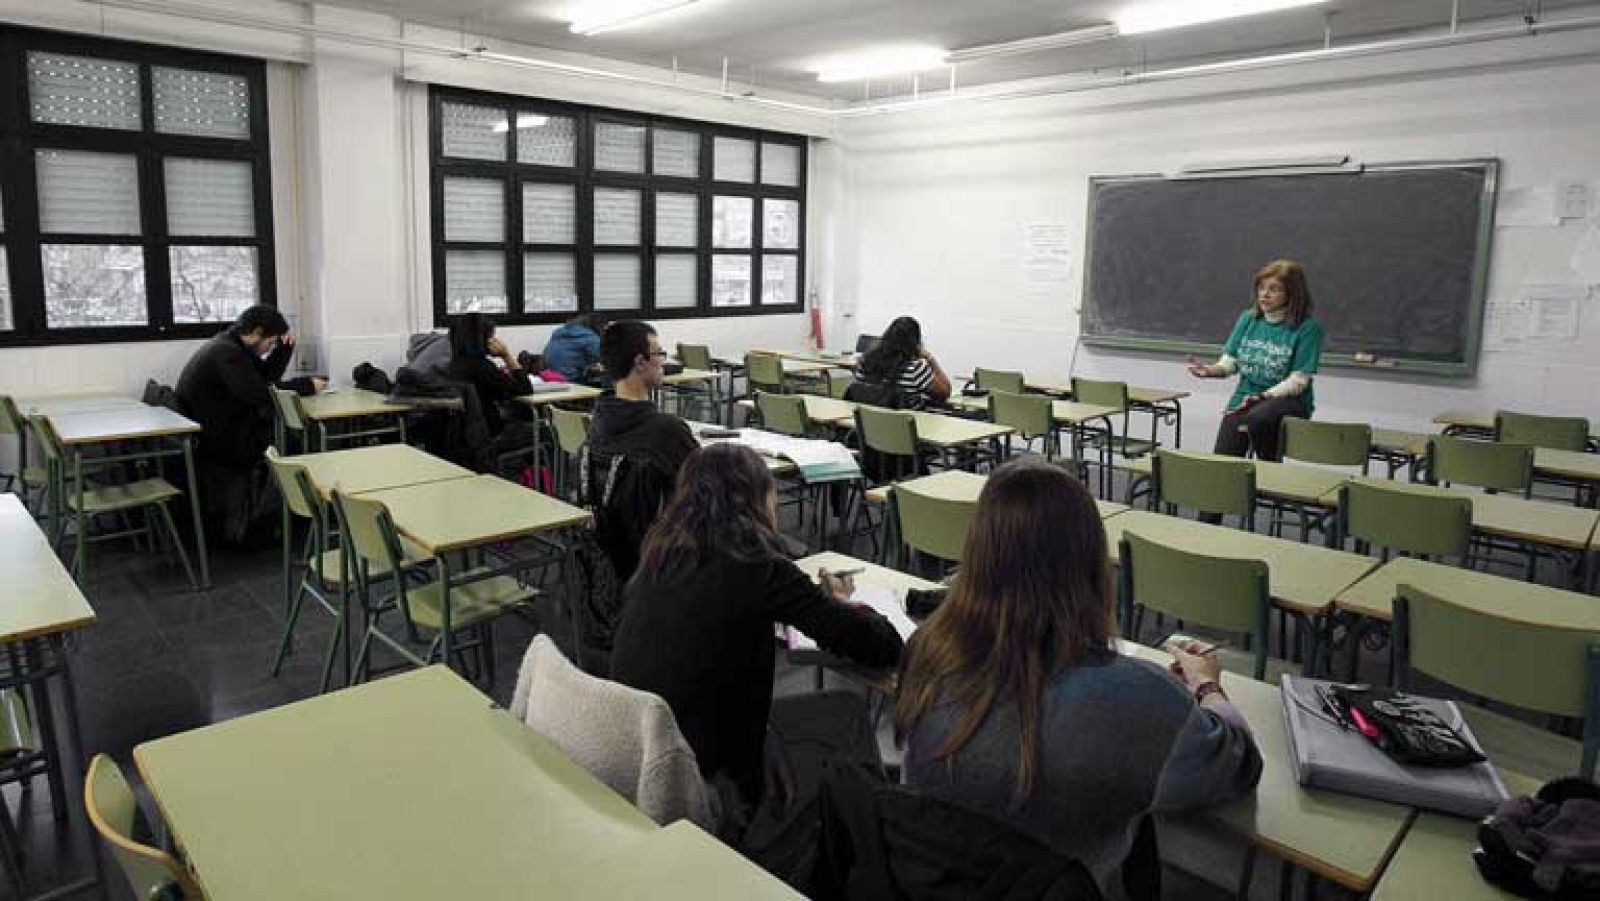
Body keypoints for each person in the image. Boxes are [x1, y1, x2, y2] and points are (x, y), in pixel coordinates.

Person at [895, 459, 1261, 899]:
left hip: (927, 885)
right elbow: (1239, 765)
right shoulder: (1137, 698)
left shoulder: (926, 651)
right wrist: (1205, 686)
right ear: (1090, 566)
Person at [611, 443, 904, 807]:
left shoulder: (660, 552)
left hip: (640, 747)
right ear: (757, 499)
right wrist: (848, 605)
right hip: (707, 768)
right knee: (845, 711)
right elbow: (880, 646)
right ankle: (859, 830)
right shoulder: (757, 565)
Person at [175, 304, 323, 543]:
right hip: (222, 439)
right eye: (270, 342)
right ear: (256, 332)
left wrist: (284, 351)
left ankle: (289, 514)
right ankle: (286, 517)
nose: (269, 349)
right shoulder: (227, 353)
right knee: (298, 440)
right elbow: (259, 394)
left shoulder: (229, 345)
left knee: (290, 434)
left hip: (216, 431)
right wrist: (307, 385)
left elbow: (263, 378)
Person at [585, 320, 699, 580]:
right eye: (659, 353)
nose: (663, 361)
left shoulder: (598, 420)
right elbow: (707, 492)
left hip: (612, 566)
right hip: (665, 567)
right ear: (640, 362)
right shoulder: (667, 431)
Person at [1187, 259, 1325, 462]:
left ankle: (1270, 472)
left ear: (1292, 293)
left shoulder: (1308, 328)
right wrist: (1210, 371)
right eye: (1261, 287)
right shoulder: (1248, 319)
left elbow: (1299, 381)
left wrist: (1263, 396)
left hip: (1286, 401)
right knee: (1223, 462)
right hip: (1245, 400)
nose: (1264, 294)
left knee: (1260, 417)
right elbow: (1230, 362)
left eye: (1274, 289)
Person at [445, 313, 534, 457]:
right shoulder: (482, 367)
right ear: (481, 339)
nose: (494, 341)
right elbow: (525, 389)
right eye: (491, 336)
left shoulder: (453, 366)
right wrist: (507, 355)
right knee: (547, 433)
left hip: (465, 437)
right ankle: (544, 478)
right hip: (491, 435)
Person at [852, 316, 951, 411]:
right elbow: (944, 393)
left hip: (868, 423)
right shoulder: (915, 369)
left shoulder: (865, 363)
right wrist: (930, 359)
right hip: (905, 426)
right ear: (915, 342)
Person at [542, 313, 606, 382]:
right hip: (572, 379)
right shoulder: (590, 337)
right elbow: (604, 357)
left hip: (549, 377)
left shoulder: (557, 332)